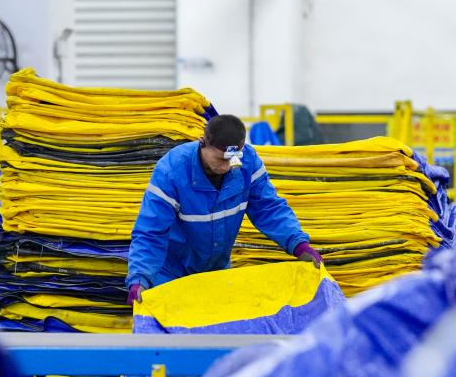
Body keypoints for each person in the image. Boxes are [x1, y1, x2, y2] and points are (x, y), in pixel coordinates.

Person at [125, 114, 322, 304]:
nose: (227, 166)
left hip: (217, 274)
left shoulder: (248, 163)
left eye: (233, 160)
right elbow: (151, 231)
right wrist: (140, 279)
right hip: (170, 276)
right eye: (221, 159)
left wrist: (298, 244)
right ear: (203, 142)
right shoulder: (172, 172)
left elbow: (269, 208)